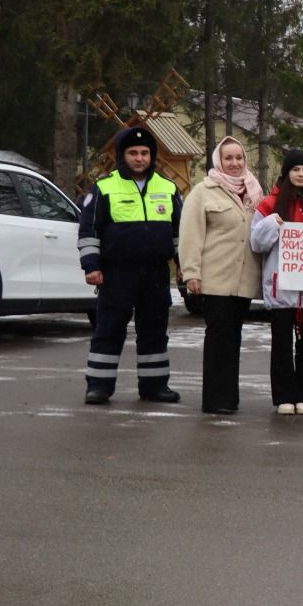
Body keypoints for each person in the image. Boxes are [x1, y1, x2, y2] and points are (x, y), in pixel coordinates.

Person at [79, 126, 183, 406]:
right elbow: (89, 231)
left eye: (145, 153)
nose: (139, 158)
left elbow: (179, 233)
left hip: (156, 273)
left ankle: (155, 386)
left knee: (155, 331)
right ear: (122, 155)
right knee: (109, 330)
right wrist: (91, 266)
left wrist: (183, 264)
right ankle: (98, 386)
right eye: (133, 153)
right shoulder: (103, 187)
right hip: (117, 273)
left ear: (152, 156)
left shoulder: (168, 187)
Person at [178, 136, 262, 415]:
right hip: (214, 278)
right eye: (229, 158)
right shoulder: (203, 192)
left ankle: (230, 397)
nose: (235, 163)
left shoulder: (254, 191)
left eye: (239, 158)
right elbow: (190, 235)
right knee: (218, 339)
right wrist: (191, 272)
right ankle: (214, 399)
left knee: (234, 339)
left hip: (244, 280)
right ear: (219, 160)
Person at [249, 150, 303, 414]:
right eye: (296, 170)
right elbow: (256, 242)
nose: (301, 175)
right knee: (282, 346)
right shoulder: (268, 204)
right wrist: (273, 224)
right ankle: (283, 395)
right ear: (286, 173)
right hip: (280, 288)